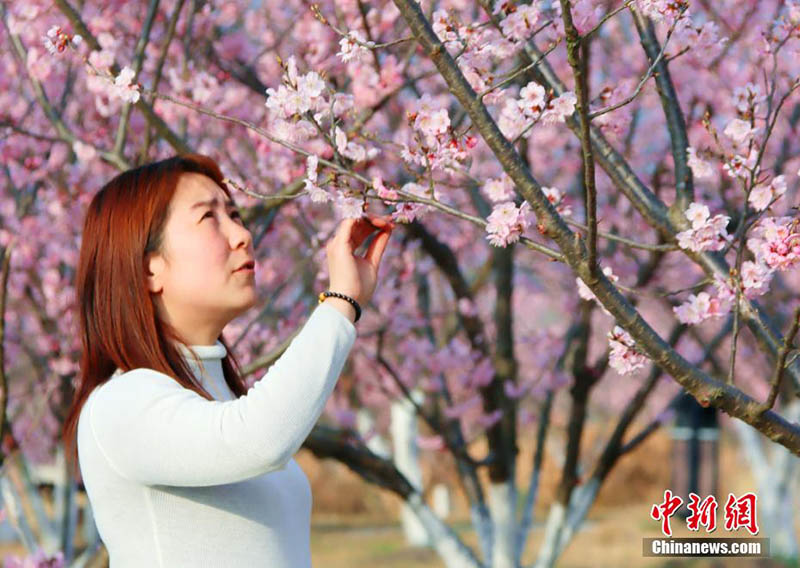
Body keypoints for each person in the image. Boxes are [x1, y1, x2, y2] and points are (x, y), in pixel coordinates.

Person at [60, 153, 395, 567]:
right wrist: (341, 302)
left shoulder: (218, 398)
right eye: (208, 219)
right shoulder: (120, 404)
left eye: (235, 215)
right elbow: (257, 438)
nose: (241, 234)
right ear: (149, 269)